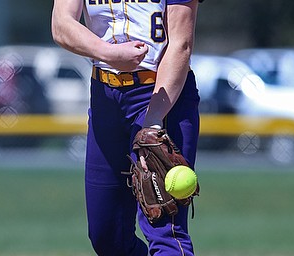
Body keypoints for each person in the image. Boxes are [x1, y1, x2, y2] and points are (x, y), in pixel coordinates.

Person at [51, 0, 203, 255]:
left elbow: (181, 44)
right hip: (105, 96)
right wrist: (108, 53)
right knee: (107, 235)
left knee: (165, 231)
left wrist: (152, 121)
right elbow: (61, 24)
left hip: (161, 94)